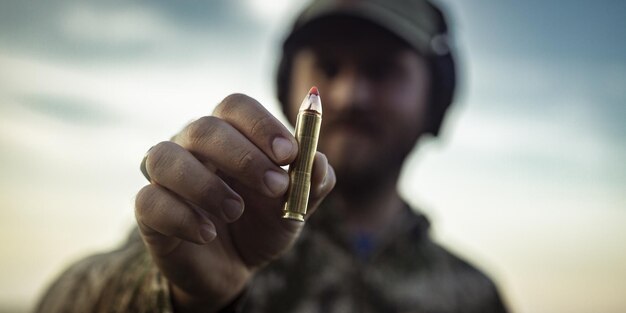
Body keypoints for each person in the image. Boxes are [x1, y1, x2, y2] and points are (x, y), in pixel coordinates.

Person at [36, 0, 509, 312]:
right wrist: (179, 297)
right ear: (287, 90)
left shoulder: (474, 296)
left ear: (436, 100)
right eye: (327, 67)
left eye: (382, 70)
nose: (348, 96)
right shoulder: (213, 229)